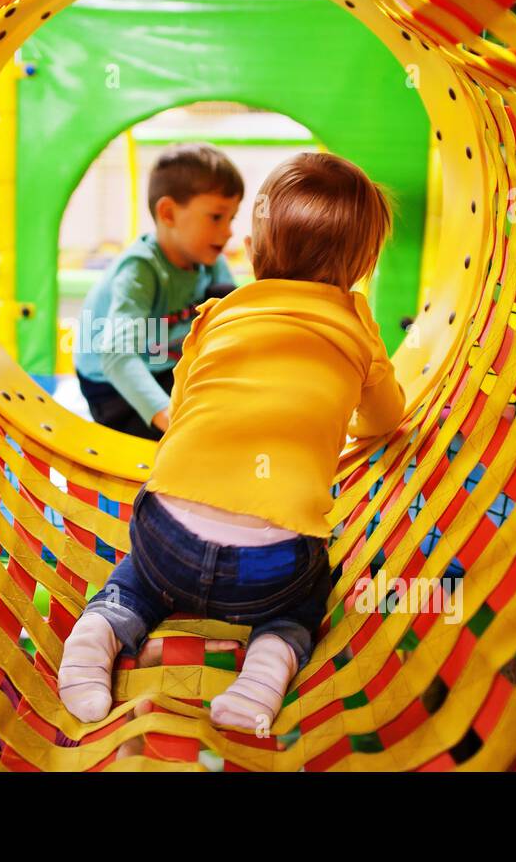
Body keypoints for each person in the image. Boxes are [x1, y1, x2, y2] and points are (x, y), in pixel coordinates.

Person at [58, 152, 406, 731]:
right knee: (309, 589)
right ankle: (268, 665)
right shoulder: (358, 326)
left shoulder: (218, 312)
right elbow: (384, 420)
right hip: (270, 568)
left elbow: (189, 398)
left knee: (139, 576)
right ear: (364, 264)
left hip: (167, 537)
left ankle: (101, 630)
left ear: (255, 244)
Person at [74, 143, 241, 440]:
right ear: (168, 213)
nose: (228, 231)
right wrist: (169, 417)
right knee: (176, 445)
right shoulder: (141, 270)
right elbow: (117, 356)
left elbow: (236, 327)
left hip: (164, 364)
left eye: (232, 219)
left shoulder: (211, 262)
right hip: (112, 385)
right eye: (217, 217)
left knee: (226, 303)